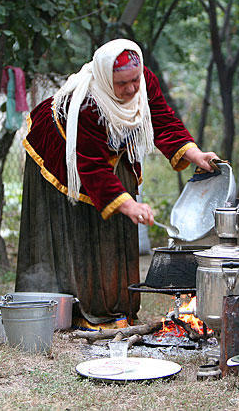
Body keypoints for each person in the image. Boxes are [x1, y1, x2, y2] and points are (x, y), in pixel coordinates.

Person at [16, 39, 218, 329]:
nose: (132, 89)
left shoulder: (144, 81)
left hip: (108, 151)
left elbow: (163, 121)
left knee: (118, 219)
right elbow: (92, 167)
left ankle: (119, 306)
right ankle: (79, 307)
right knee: (80, 224)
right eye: (122, 84)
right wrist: (128, 204)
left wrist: (196, 155)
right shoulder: (88, 103)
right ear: (106, 80)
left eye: (134, 80)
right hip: (60, 149)